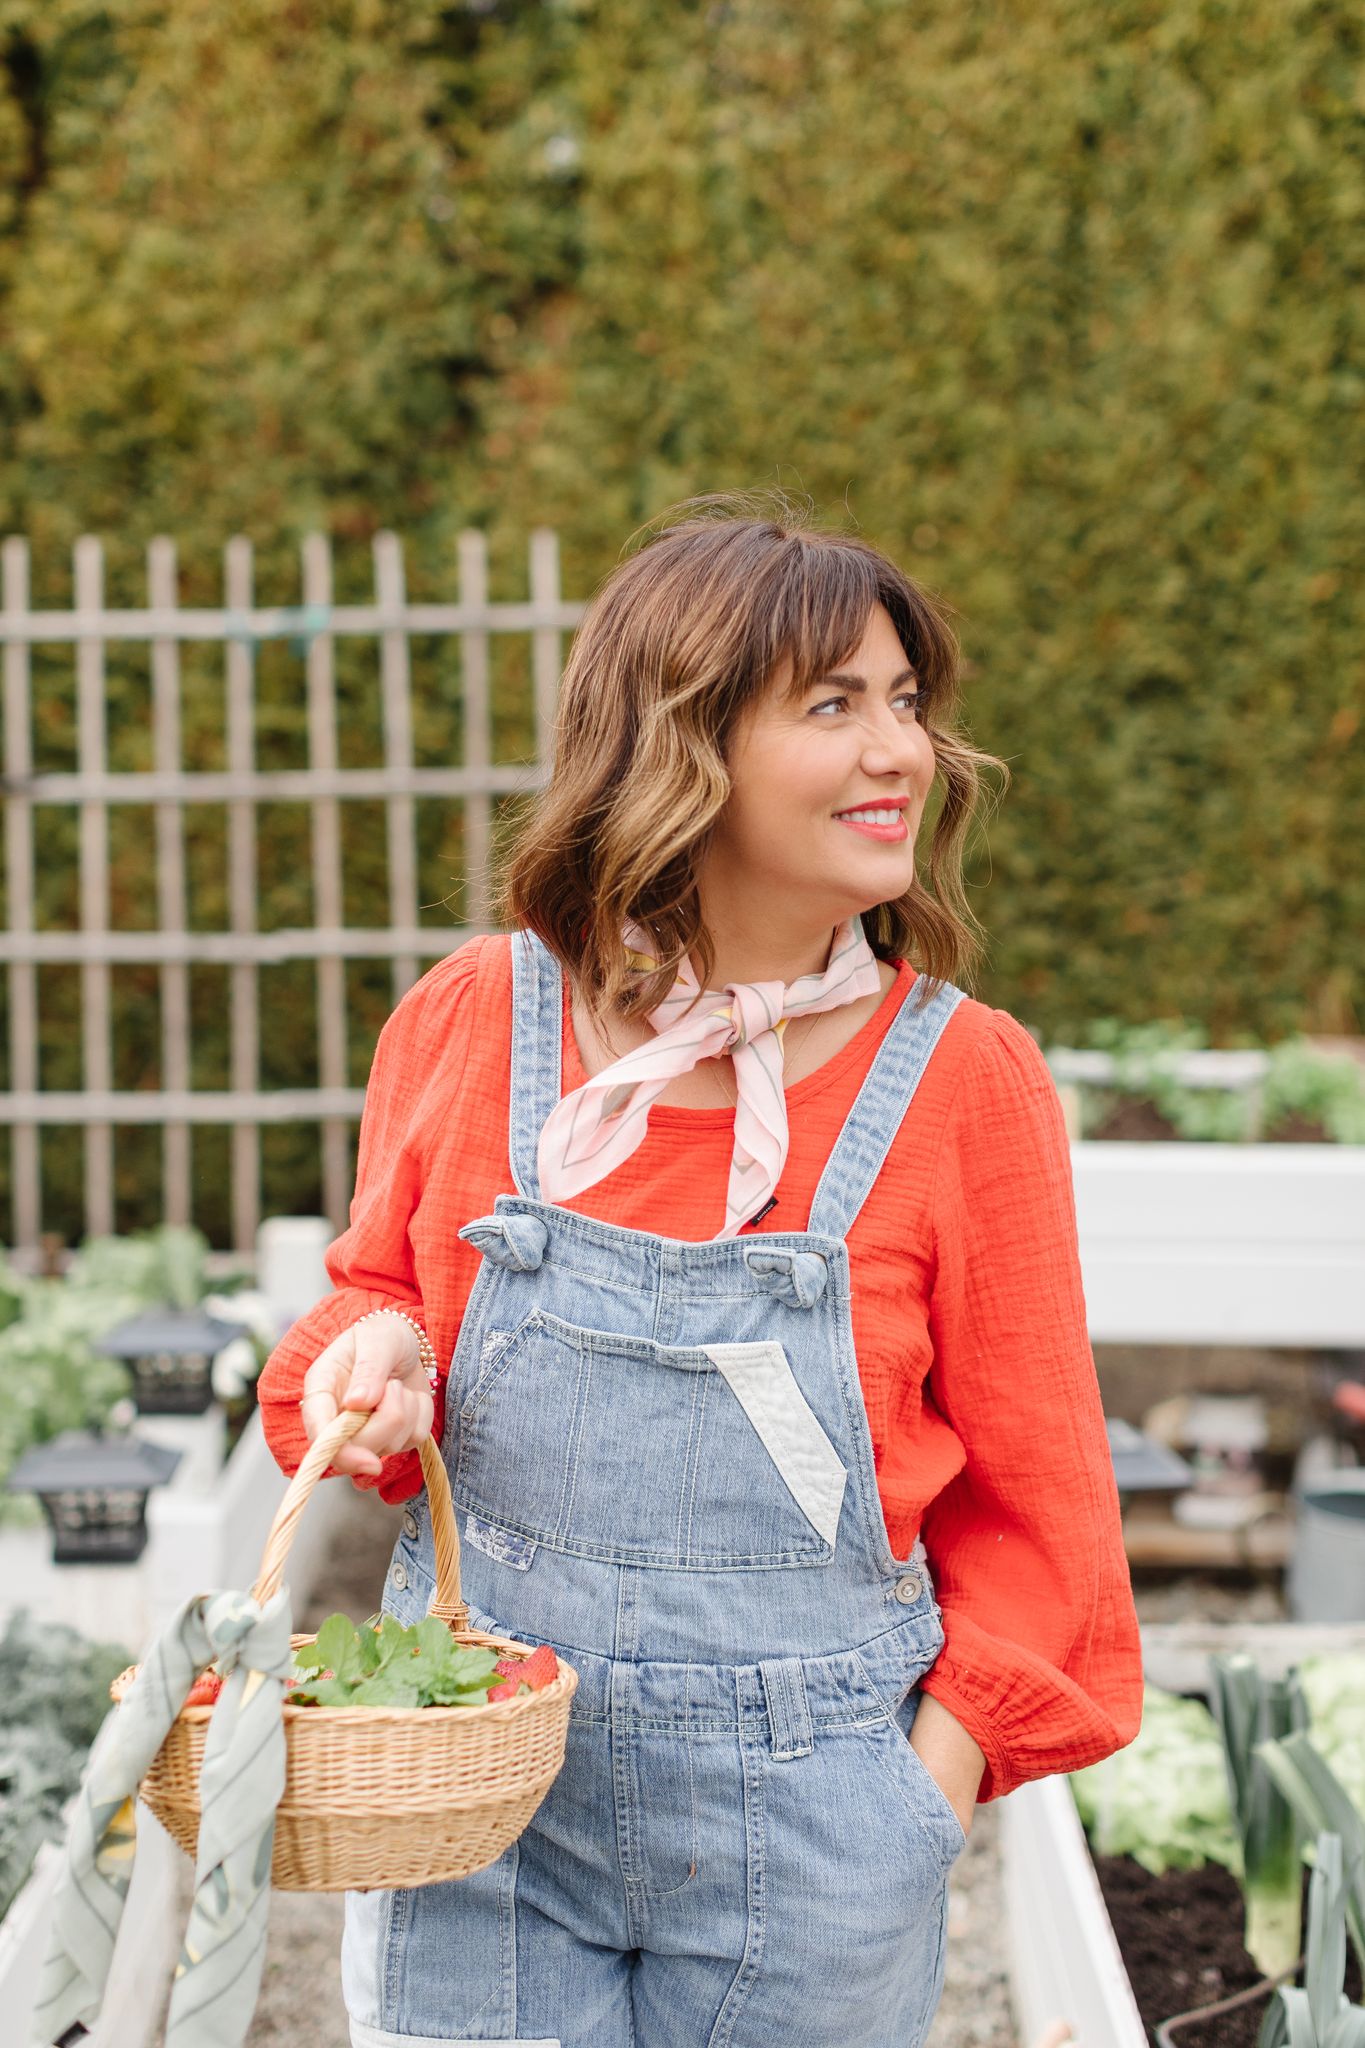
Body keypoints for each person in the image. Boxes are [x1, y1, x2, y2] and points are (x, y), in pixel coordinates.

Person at [260, 494, 1144, 2048]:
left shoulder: (964, 1084)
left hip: (812, 1843)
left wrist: (912, 1796)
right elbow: (376, 1293)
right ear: (678, 749)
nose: (901, 754)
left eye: (906, 704)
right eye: (830, 706)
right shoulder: (478, 1019)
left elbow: (1042, 1505)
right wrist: (369, 1363)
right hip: (478, 1793)